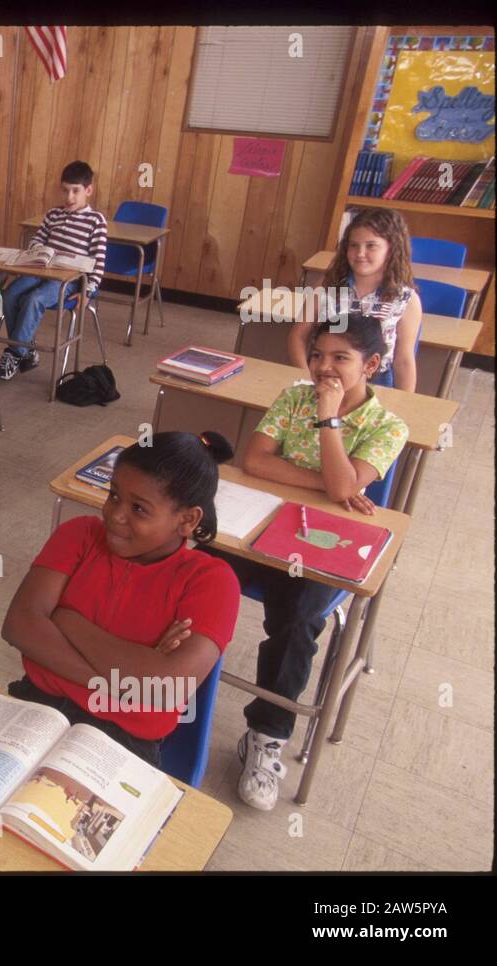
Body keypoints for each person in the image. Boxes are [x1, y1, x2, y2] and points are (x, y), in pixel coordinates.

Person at [224, 312, 409, 810]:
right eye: (317, 355)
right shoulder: (292, 397)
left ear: (370, 364)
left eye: (340, 359)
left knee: (300, 619)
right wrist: (333, 484)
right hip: (264, 523)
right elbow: (255, 462)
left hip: (324, 548)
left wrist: (329, 421)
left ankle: (266, 736)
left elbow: (346, 487)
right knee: (197, 561)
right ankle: (164, 684)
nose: (324, 368)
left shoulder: (388, 425)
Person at [1, 432, 241, 766]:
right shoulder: (80, 534)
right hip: (38, 702)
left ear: (187, 520)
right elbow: (19, 626)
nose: (115, 514)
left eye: (139, 508)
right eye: (114, 495)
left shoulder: (211, 581)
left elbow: (165, 689)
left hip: (123, 738)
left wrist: (64, 618)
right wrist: (127, 684)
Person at [0, 160, 108, 381]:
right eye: (65, 191)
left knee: (34, 300)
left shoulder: (96, 221)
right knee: (10, 296)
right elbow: (38, 238)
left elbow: (99, 260)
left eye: (75, 191)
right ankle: (27, 348)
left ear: (88, 191)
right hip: (42, 271)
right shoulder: (54, 214)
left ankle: (15, 353)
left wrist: (88, 291)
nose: (69, 197)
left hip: (68, 281)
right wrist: (38, 250)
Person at [287, 207, 422, 393]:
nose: (360, 253)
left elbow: (404, 360)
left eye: (371, 246)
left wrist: (405, 403)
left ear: (392, 249)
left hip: (375, 384)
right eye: (354, 245)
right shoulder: (327, 286)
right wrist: (306, 379)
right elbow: (298, 335)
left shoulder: (406, 300)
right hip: (325, 375)